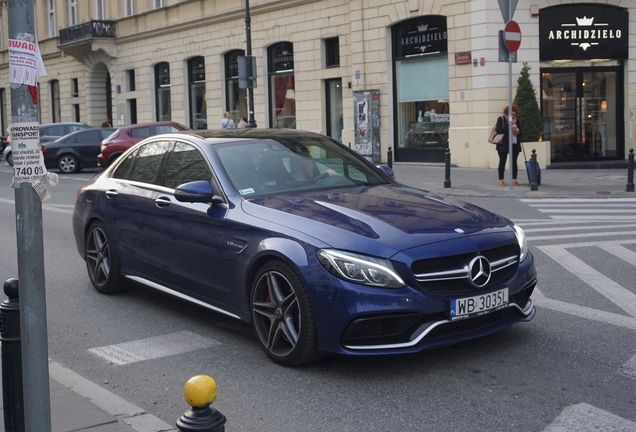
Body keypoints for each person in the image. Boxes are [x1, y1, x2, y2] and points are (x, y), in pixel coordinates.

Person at [494, 104, 522, 186]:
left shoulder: (517, 120)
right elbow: (498, 130)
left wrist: (517, 130)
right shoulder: (501, 119)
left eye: (514, 114)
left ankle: (514, 179)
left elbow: (521, 132)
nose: (513, 116)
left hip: (514, 143)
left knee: (514, 162)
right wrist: (509, 129)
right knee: (502, 161)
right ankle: (501, 179)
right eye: (511, 114)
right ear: (506, 113)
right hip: (503, 144)